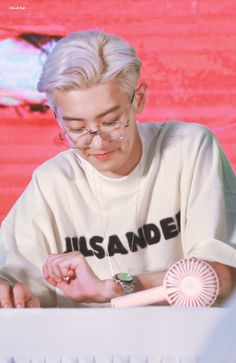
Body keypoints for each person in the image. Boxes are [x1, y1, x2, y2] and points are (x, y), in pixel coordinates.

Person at [0, 30, 235, 308]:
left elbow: (217, 276)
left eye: (111, 121)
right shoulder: (51, 183)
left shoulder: (189, 149)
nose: (97, 143)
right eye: (76, 129)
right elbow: (14, 277)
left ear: (139, 99)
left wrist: (116, 287)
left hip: (190, 341)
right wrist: (11, 294)